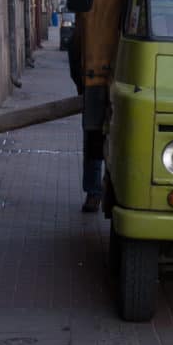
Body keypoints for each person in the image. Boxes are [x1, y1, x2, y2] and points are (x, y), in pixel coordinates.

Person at [68, 30, 103, 212]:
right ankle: (96, 191)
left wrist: (81, 87)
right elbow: (75, 48)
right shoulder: (91, 14)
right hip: (96, 81)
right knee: (95, 139)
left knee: (94, 139)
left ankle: (94, 192)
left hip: (95, 80)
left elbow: (74, 48)